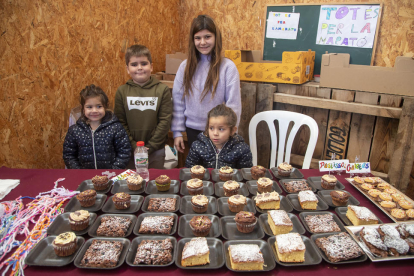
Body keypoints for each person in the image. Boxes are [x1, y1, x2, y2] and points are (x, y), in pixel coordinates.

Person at [171, 14, 241, 153]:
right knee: (197, 171)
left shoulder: (228, 67)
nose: (202, 42)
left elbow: (233, 104)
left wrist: (230, 131)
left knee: (218, 172)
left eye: (207, 37)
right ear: (193, 40)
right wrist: (177, 131)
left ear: (216, 37)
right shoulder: (185, 67)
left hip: (220, 132)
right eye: (198, 38)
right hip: (193, 132)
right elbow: (178, 101)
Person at [114, 44, 172, 169]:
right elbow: (120, 122)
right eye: (134, 64)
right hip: (129, 151)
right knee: (132, 184)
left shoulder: (162, 90)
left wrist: (150, 147)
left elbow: (165, 121)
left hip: (156, 150)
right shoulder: (122, 91)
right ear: (127, 69)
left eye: (144, 64)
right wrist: (134, 146)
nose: (139, 68)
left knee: (155, 183)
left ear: (151, 67)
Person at [63, 85, 131, 169]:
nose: (94, 111)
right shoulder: (75, 130)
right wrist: (79, 172)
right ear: (83, 108)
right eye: (89, 107)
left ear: (105, 107)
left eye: (99, 106)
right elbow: (69, 155)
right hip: (85, 178)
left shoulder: (115, 128)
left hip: (110, 176)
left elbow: (124, 152)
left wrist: (114, 170)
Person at [185, 104, 252, 169]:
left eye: (221, 129)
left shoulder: (241, 149)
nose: (215, 133)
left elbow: (245, 174)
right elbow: (190, 170)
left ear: (232, 131)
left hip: (230, 180)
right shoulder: (197, 146)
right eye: (211, 128)